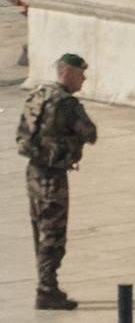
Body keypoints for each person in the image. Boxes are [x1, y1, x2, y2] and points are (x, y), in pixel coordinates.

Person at [16, 53, 97, 310]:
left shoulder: (39, 94)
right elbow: (90, 132)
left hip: (34, 173)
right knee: (53, 233)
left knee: (40, 230)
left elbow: (22, 134)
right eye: (81, 73)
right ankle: (47, 289)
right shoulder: (66, 103)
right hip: (52, 176)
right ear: (68, 72)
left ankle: (46, 282)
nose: (83, 79)